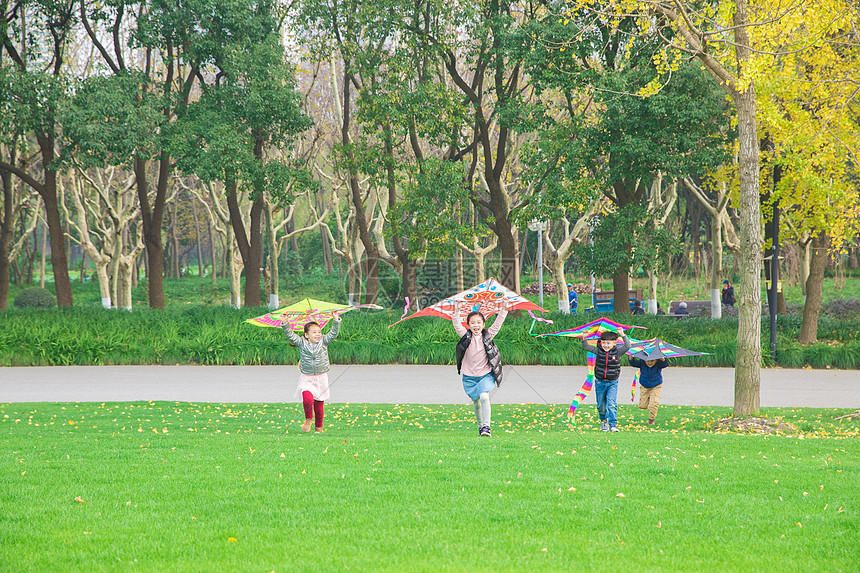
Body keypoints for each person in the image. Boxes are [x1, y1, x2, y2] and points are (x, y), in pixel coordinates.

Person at [453, 299, 508, 437]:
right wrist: (457, 310)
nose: (476, 325)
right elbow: (457, 325)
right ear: (469, 325)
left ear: (483, 324)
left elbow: (497, 324)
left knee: (484, 397)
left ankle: (486, 427)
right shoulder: (465, 336)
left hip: (486, 374)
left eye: (479, 323)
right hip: (469, 376)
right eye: (472, 323)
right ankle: (480, 427)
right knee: (476, 401)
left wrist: (504, 308)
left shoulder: (488, 336)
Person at [283, 316, 341, 432]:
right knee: (308, 399)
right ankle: (308, 419)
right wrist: (285, 323)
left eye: (319, 331)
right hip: (307, 377)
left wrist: (336, 320)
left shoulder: (324, 341)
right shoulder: (301, 342)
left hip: (321, 377)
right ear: (306, 335)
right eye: (314, 332)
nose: (318, 334)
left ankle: (319, 427)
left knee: (319, 407)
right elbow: (290, 335)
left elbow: (333, 333)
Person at [581, 330, 631, 432]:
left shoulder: (618, 352)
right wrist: (584, 337)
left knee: (611, 404)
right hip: (600, 382)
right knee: (601, 406)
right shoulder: (598, 351)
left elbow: (627, 346)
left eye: (608, 343)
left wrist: (622, 334)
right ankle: (604, 421)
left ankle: (613, 425)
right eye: (603, 342)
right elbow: (585, 346)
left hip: (613, 382)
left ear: (614, 343)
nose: (606, 345)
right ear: (600, 342)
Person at [628, 356, 668, 425]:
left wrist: (662, 358)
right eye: (647, 361)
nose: (649, 363)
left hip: (656, 385)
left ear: (656, 360)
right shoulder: (641, 362)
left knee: (653, 404)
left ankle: (651, 419)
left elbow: (665, 364)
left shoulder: (659, 363)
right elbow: (633, 363)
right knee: (642, 406)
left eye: (652, 361)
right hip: (644, 385)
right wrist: (631, 357)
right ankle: (649, 399)